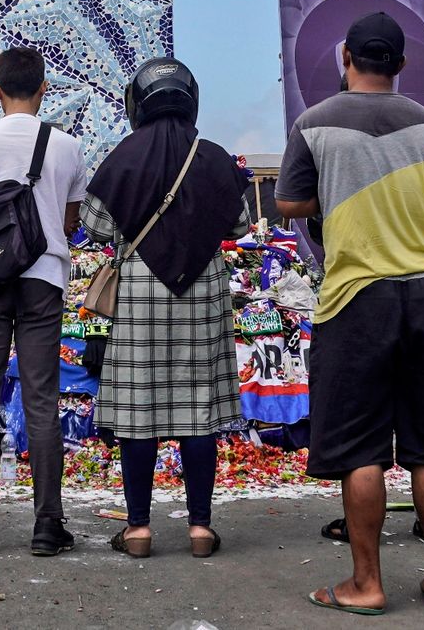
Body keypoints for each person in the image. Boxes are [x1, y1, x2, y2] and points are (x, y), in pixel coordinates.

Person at [273, 11, 424, 615]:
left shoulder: (314, 124)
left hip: (355, 297)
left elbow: (287, 202)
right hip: (423, 295)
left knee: (361, 447)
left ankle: (367, 583)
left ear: (345, 58)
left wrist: (342, 190)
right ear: (402, 65)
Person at [81, 58, 250, 560]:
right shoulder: (214, 156)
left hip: (140, 290)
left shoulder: (124, 155)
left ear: (139, 102)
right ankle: (200, 528)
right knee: (199, 410)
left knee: (139, 411)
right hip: (203, 290)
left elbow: (95, 226)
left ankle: (137, 529)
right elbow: (239, 224)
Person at [0, 46, 88, 558]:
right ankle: (48, 525)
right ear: (44, 88)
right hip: (44, 279)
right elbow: (70, 220)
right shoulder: (68, 146)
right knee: (41, 401)